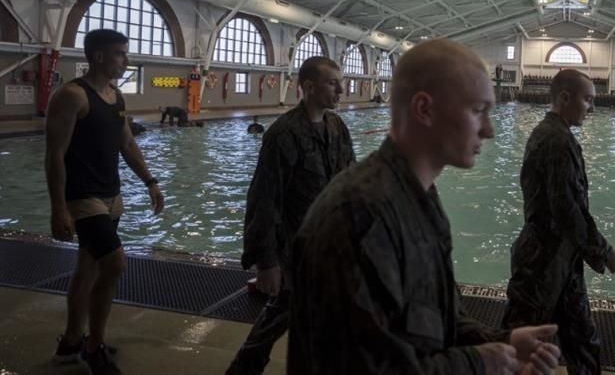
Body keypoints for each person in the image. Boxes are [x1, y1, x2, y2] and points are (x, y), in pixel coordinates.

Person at [287, 39, 561, 374]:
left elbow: (432, 315)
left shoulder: (418, 197)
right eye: (477, 110)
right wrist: (478, 363)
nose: (488, 130)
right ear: (424, 109)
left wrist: (500, 340)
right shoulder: (359, 217)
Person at [226, 56, 356, 375]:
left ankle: (247, 367)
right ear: (308, 87)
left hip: (330, 244)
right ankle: (245, 367)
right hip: (294, 249)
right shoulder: (283, 134)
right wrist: (267, 263)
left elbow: (350, 182)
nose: (342, 90)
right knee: (286, 311)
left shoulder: (336, 126)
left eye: (341, 82)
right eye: (333, 83)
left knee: (299, 312)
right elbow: (263, 200)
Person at [45, 29, 164, 375]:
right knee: (115, 264)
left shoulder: (116, 96)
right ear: (98, 56)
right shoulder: (71, 96)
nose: (125, 61)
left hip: (112, 195)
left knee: (88, 269)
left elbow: (127, 144)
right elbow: (54, 155)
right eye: (119, 54)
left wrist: (150, 182)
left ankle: (70, 341)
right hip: (83, 197)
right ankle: (92, 346)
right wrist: (58, 207)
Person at [502, 69, 615, 375]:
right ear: (564, 98)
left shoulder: (554, 134)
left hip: (560, 258)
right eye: (587, 99)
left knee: (582, 339)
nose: (592, 107)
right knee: (519, 346)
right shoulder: (556, 141)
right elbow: (568, 210)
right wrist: (604, 251)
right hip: (542, 263)